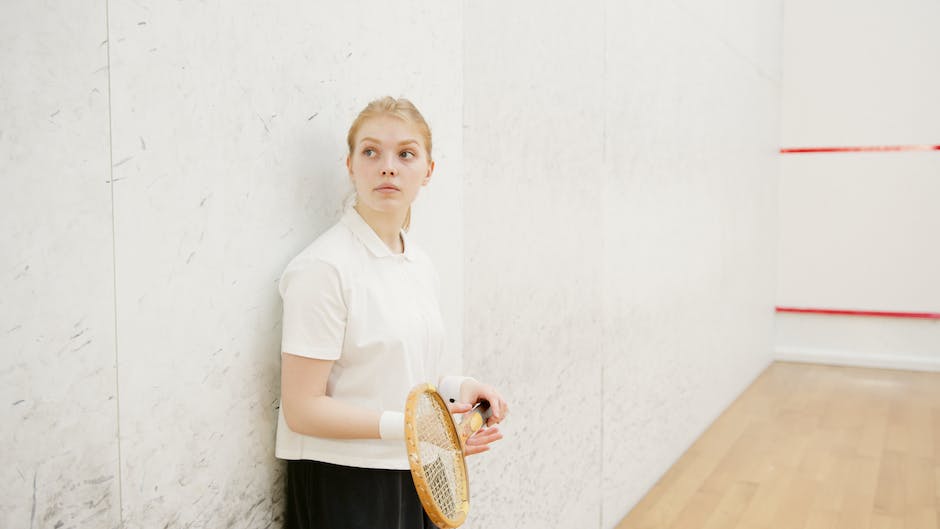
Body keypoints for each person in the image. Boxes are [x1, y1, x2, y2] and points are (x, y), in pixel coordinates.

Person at [277, 96, 509, 529]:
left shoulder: (417, 261)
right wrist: (419, 432)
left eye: (405, 153)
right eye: (370, 152)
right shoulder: (322, 269)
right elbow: (301, 408)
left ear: (428, 170)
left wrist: (462, 389)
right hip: (345, 483)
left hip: (416, 471)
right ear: (350, 165)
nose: (388, 166)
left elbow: (413, 374)